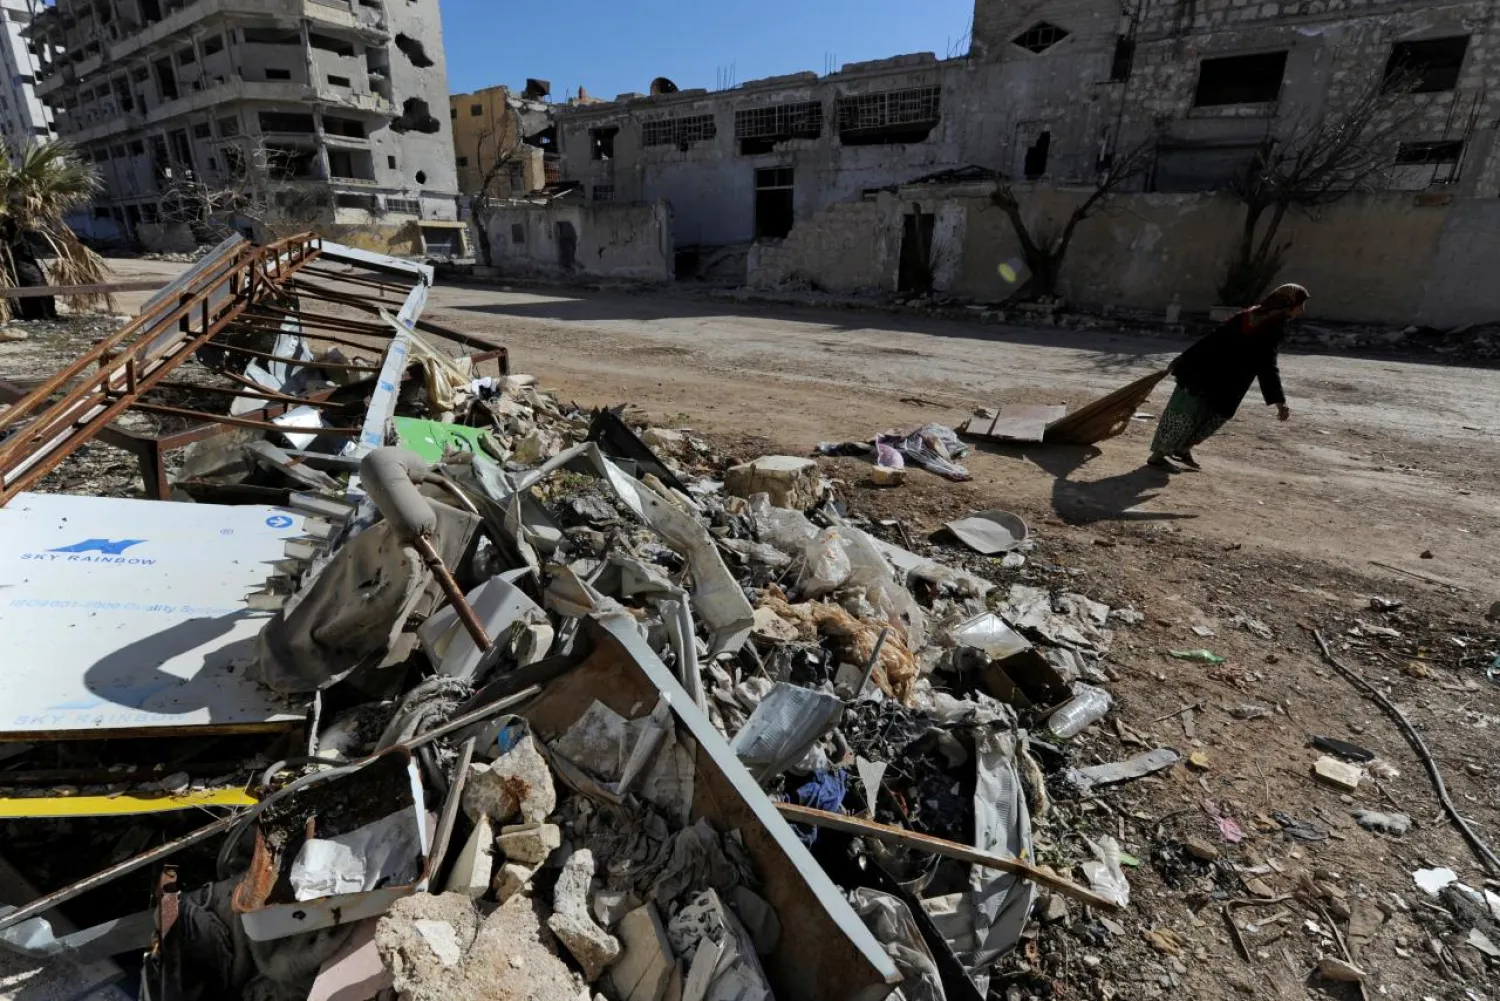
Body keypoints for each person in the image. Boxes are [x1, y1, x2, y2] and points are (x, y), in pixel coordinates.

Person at [1148, 283, 1309, 471]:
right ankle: (1158, 456)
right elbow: (1266, 365)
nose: (1303, 310)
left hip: (1221, 378)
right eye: (1301, 304)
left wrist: (1184, 358)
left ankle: (1183, 449)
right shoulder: (1270, 326)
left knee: (1210, 416)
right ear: (1288, 304)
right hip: (1206, 373)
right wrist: (1279, 401)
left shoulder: (1253, 316)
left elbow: (1214, 338)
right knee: (1185, 413)